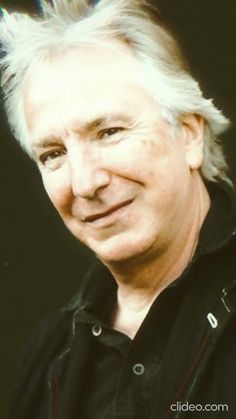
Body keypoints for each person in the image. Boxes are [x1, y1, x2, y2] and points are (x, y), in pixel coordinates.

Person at [0, 0, 236, 418]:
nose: (84, 183)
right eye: (53, 154)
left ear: (189, 137)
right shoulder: (50, 353)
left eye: (109, 132)